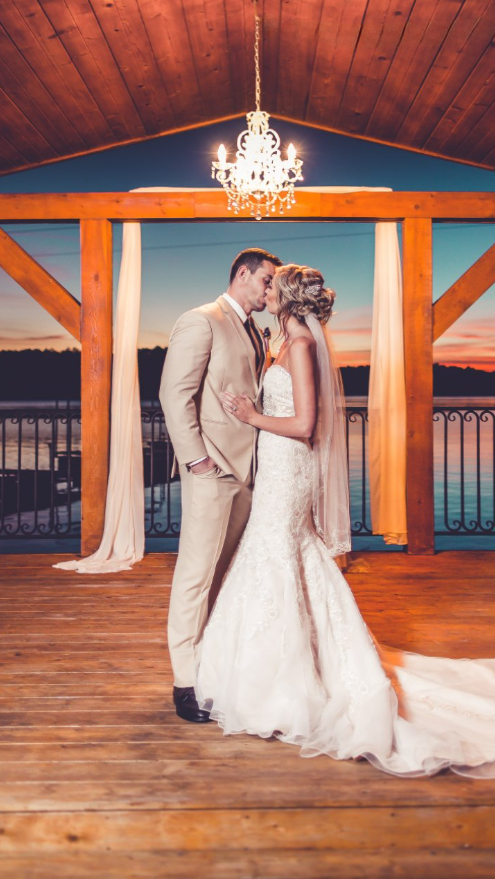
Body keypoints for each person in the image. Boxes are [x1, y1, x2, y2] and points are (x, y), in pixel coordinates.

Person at [195, 263, 495, 778]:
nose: (265, 291)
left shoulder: (299, 348)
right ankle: (289, 663)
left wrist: (251, 416)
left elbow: (305, 425)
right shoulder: (283, 343)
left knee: (276, 549)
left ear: (288, 300)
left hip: (288, 465)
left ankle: (283, 683)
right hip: (277, 466)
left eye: (272, 287)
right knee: (283, 552)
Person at [159, 247, 281, 723]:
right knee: (195, 576)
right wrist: (197, 462)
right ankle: (185, 683)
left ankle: (210, 666)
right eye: (266, 280)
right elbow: (175, 395)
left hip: (250, 471)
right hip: (213, 472)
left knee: (222, 574)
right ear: (242, 274)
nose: (270, 290)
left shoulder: (254, 329)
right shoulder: (200, 320)